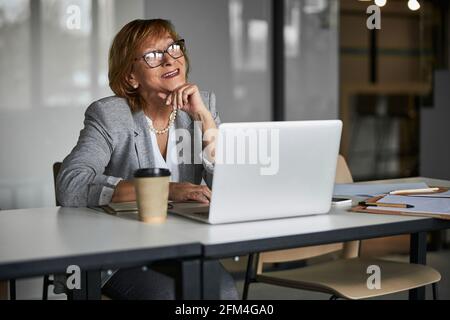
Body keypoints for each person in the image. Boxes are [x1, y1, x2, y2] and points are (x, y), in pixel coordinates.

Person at [56, 19, 238, 300]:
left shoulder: (202, 105)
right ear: (131, 77)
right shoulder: (110, 115)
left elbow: (230, 188)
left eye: (173, 48)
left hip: (184, 248)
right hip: (119, 253)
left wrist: (204, 119)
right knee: (168, 297)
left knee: (224, 293)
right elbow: (71, 184)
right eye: (153, 55)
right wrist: (165, 189)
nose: (169, 59)